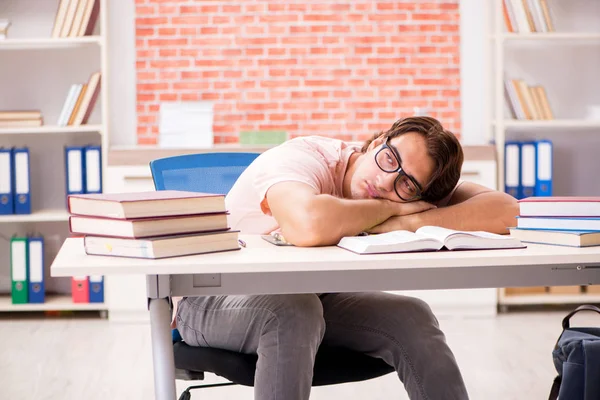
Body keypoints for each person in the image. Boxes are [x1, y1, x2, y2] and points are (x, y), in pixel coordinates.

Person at [175, 116, 519, 400]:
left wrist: (411, 220)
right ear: (376, 141)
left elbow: (506, 210)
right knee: (292, 312)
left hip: (310, 299)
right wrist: (387, 208)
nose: (386, 181)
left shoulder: (406, 196)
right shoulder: (303, 158)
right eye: (389, 158)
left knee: (412, 317)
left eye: (407, 185)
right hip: (209, 297)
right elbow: (306, 225)